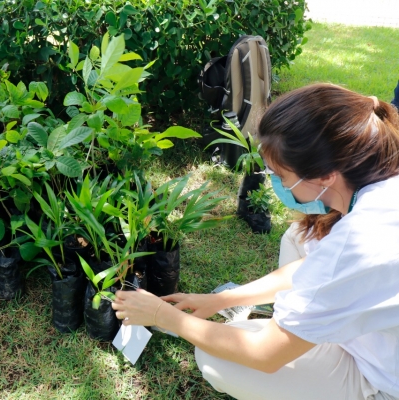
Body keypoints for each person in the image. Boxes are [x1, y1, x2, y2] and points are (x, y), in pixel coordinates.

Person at [112, 84, 399, 400]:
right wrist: (222, 300)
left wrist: (162, 316)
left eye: (281, 175)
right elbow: (312, 268)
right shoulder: (378, 178)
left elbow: (264, 355)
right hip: (377, 335)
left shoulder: (358, 243)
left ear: (326, 175)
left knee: (216, 358)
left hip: (383, 379)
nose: (278, 184)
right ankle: (308, 327)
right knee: (296, 238)